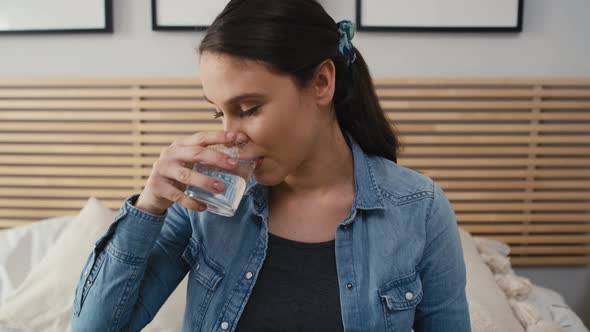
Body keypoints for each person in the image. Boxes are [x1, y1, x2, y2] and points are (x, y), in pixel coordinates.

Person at [71, 0, 471, 331]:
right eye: (219, 115)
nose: (231, 135)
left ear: (321, 83)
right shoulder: (207, 204)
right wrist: (150, 204)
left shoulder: (419, 209)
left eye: (248, 109)